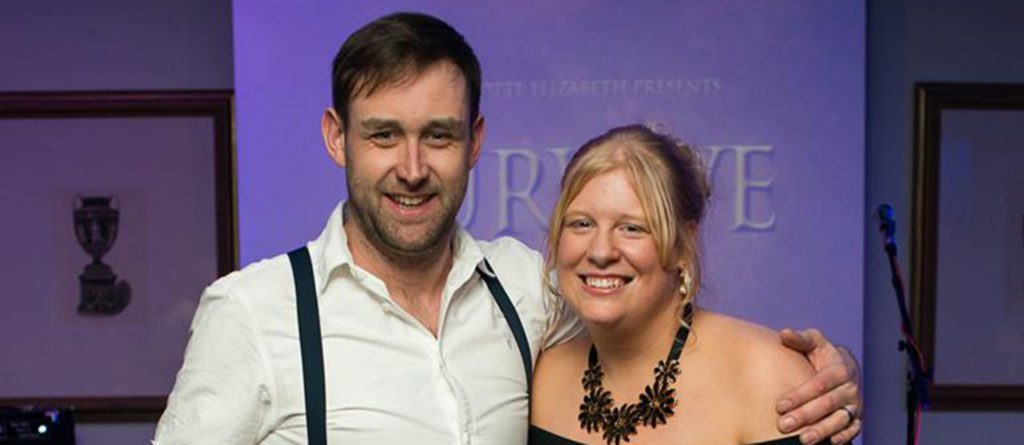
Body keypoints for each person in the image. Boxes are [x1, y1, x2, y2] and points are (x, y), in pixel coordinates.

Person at [154, 12, 861, 445]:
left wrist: (832, 374)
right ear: (338, 138)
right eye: (383, 135)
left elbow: (644, 331)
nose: (411, 168)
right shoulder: (253, 313)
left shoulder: (527, 290)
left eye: (438, 135)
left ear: (475, 141)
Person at [529, 125, 860, 445]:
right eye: (581, 224)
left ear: (683, 246)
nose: (600, 252)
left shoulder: (768, 378)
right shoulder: (540, 378)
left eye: (632, 228)